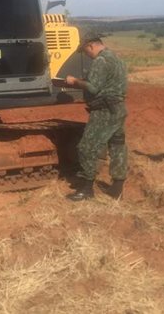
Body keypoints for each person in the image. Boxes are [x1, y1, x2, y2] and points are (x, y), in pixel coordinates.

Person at [64, 31, 128, 201]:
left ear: (91, 45)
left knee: (86, 147)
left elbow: (93, 88)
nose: (87, 55)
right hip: (118, 109)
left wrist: (74, 81)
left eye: (86, 51)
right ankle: (117, 188)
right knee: (117, 146)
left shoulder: (101, 60)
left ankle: (86, 189)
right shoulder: (117, 59)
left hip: (103, 111)